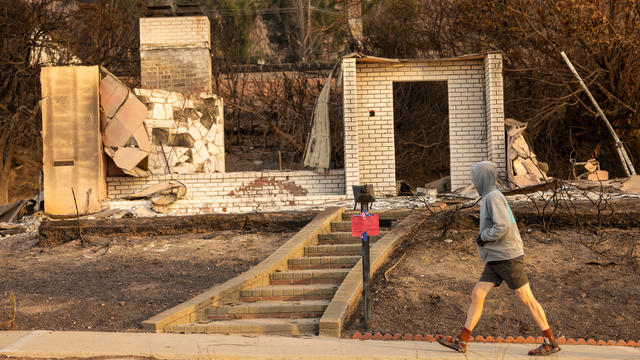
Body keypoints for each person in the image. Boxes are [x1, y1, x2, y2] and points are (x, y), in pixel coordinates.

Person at [436, 161, 560, 356]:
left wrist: (483, 237)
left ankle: (550, 341)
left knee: (526, 298)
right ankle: (462, 339)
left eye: (475, 178)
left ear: (483, 178)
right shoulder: (490, 196)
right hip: (496, 257)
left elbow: (502, 226)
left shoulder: (493, 197)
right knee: (478, 293)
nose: (474, 181)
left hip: (507, 257)